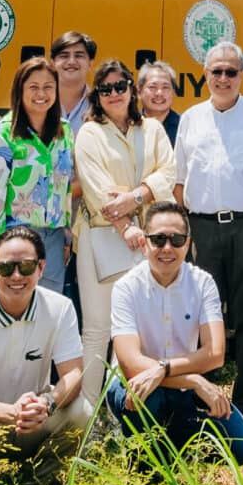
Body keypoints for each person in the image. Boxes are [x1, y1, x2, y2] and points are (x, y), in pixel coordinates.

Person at [171, 41, 243, 424]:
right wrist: (182, 237)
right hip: (202, 230)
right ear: (204, 74)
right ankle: (199, 405)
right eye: (216, 71)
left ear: (242, 75)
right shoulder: (190, 118)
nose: (223, 78)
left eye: (231, 72)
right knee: (198, 318)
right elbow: (179, 183)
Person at [105, 200, 243, 462]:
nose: (167, 248)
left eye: (176, 240)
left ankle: (175, 443)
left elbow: (216, 353)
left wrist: (164, 370)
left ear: (188, 244)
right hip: (137, 387)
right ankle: (148, 454)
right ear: (144, 243)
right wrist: (194, 380)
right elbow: (130, 365)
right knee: (145, 402)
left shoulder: (202, 283)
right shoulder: (126, 288)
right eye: (158, 239)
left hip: (182, 392)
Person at [73, 59, 177, 405]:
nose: (114, 94)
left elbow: (168, 172)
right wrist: (125, 225)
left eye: (121, 86)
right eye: (106, 89)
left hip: (148, 241)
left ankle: (123, 410)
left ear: (132, 89)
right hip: (101, 238)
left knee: (134, 331)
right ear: (97, 95)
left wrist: (135, 196)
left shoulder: (152, 129)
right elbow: (96, 188)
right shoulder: (89, 132)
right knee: (98, 329)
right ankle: (87, 417)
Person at [0, 224, 87, 453]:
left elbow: (73, 373)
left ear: (41, 268)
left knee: (82, 410)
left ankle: (40, 482)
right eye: (5, 268)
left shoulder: (59, 308)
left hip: (37, 416)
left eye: (26, 266)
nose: (16, 275)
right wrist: (10, 412)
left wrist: (47, 404)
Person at [0, 57, 78, 291]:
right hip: (11, 239)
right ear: (19, 91)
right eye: (33, 87)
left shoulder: (63, 131)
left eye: (48, 87)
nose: (41, 94)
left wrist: (65, 237)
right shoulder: (3, 135)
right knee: (7, 312)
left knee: (47, 314)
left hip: (52, 241)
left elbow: (63, 188)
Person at [49, 30, 96, 129]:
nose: (71, 61)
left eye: (79, 55)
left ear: (90, 63)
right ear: (52, 63)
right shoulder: (39, 101)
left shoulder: (100, 105)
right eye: (64, 56)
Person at [137, 61, 183, 145]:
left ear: (173, 92)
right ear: (139, 91)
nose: (159, 93)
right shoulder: (128, 125)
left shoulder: (184, 126)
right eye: (152, 87)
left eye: (165, 87)